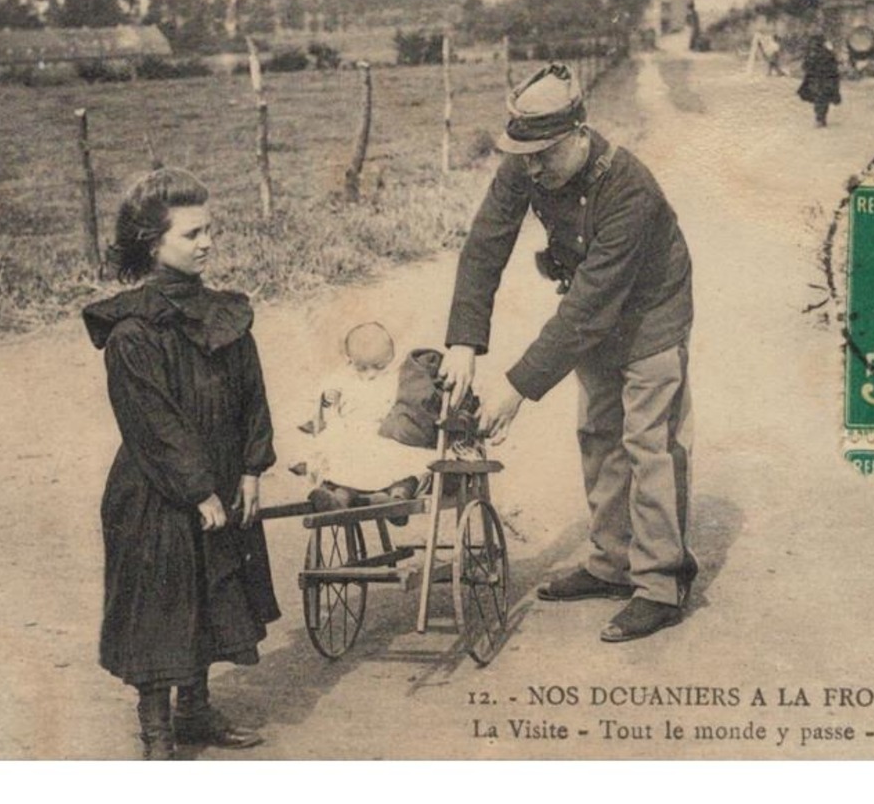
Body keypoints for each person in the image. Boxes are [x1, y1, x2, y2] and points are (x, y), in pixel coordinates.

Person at [440, 63, 697, 643]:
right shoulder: (527, 163)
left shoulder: (631, 188)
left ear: (580, 134)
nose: (531, 167)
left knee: (648, 442)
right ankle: (612, 564)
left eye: (543, 155)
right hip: (594, 311)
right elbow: (485, 245)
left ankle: (660, 583)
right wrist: (463, 340)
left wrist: (518, 387)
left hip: (652, 312)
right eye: (523, 155)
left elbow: (588, 306)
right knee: (600, 433)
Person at [83, 167, 279, 760]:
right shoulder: (133, 332)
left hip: (220, 480)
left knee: (213, 593)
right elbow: (153, 423)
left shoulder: (227, 316)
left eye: (209, 230)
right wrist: (198, 491)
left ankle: (195, 712)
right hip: (157, 495)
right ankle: (158, 732)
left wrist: (250, 470)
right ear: (152, 243)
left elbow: (252, 395)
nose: (207, 243)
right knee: (162, 606)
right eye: (192, 234)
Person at [293, 322, 431, 515]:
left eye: (379, 366)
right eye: (362, 368)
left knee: (404, 470)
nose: (371, 374)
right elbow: (327, 411)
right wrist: (326, 405)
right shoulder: (342, 382)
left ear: (390, 358)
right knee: (341, 472)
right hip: (356, 446)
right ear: (349, 360)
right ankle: (338, 500)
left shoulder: (396, 380)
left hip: (388, 441)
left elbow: (407, 407)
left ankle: (394, 499)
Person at [798, 36, 842, 127]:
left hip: (818, 80)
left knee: (819, 99)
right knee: (823, 99)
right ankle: (821, 118)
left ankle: (820, 118)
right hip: (826, 80)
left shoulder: (813, 54)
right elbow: (834, 67)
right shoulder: (829, 54)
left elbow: (806, 66)